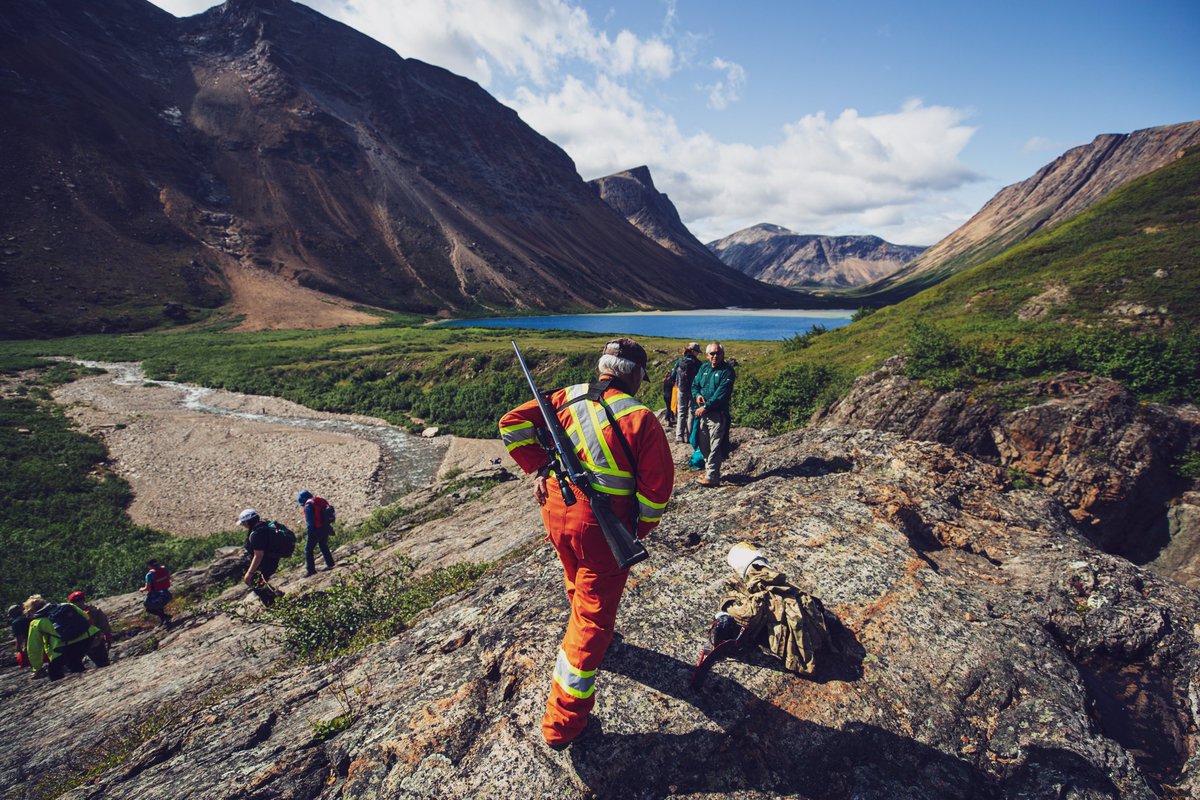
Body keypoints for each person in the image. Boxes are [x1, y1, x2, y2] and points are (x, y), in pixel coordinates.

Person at [499, 337, 674, 750]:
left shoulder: (565, 396)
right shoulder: (640, 417)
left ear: (603, 367)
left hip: (556, 511)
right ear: (635, 375)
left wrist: (540, 467)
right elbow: (656, 492)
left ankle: (587, 638)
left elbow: (511, 423)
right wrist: (636, 530)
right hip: (600, 527)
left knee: (576, 576)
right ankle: (562, 724)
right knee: (592, 621)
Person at [23, 595, 99, 681]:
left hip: (65, 647)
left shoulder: (36, 623)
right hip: (89, 637)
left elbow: (34, 647)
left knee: (55, 673)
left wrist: (37, 668)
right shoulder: (66, 605)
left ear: (31, 610)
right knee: (102, 662)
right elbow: (87, 618)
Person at [692, 341, 736, 487]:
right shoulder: (704, 368)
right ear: (707, 355)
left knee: (715, 446)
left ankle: (712, 476)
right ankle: (710, 472)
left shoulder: (727, 371)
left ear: (723, 354)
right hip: (703, 415)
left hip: (717, 415)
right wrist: (697, 395)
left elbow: (721, 394)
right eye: (712, 353)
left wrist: (706, 407)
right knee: (704, 445)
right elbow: (695, 385)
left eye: (718, 353)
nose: (715, 356)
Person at [239, 508, 285, 607]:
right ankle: (276, 596)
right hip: (272, 560)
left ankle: (273, 604)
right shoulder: (265, 525)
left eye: (243, 523)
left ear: (247, 522)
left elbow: (258, 555)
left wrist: (249, 573)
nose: (243, 525)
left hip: (265, 564)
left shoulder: (257, 534)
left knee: (255, 582)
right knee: (261, 582)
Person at [296, 489, 335, 576]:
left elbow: (310, 522)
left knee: (308, 550)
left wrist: (310, 532)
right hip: (326, 527)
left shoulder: (308, 505)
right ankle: (330, 563)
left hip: (316, 529)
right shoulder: (320, 500)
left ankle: (311, 570)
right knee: (323, 545)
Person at [68, 590, 112, 667]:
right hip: (97, 638)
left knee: (96, 661)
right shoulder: (95, 610)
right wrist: (107, 634)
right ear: (84, 599)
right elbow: (104, 624)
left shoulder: (69, 615)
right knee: (103, 661)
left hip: (82, 642)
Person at [670, 342, 702, 443]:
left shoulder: (680, 361)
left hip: (681, 389)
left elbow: (673, 375)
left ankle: (679, 436)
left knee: (681, 412)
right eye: (697, 352)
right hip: (693, 391)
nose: (698, 353)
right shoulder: (698, 363)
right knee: (692, 412)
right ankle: (689, 437)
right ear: (693, 351)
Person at [140, 559, 173, 627]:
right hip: (167, 595)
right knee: (159, 605)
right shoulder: (164, 569)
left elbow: (147, 588)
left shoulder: (149, 574)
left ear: (149, 566)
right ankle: (164, 620)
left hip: (157, 596)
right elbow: (168, 578)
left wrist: (141, 589)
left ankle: (165, 617)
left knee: (148, 607)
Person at [9, 604, 30, 668]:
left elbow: (20, 637)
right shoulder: (29, 618)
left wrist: (18, 647)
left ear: (13, 614)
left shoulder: (16, 622)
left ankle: (39, 671)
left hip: (30, 644)